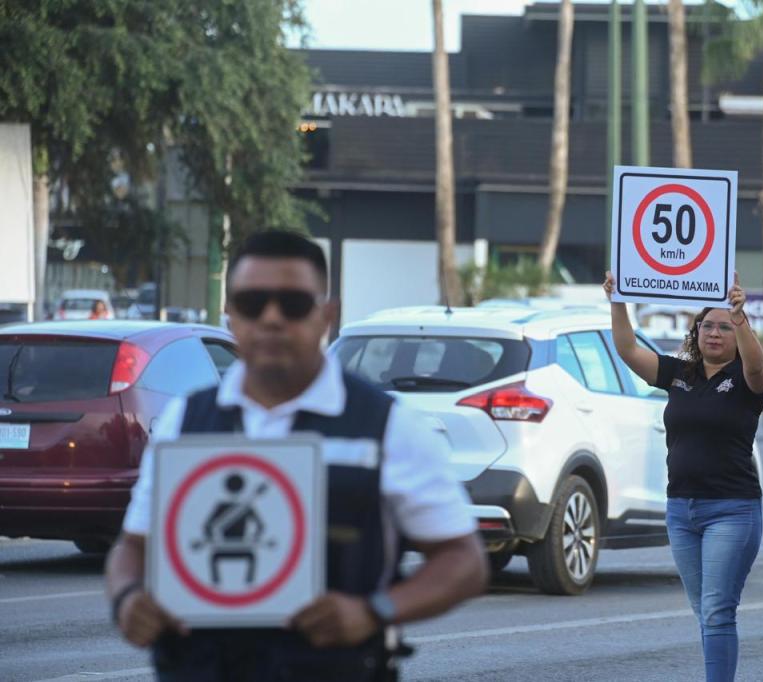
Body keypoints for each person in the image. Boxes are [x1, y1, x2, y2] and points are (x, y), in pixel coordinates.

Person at [105, 230, 488, 681]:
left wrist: (372, 611)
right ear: (229, 315)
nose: (271, 318)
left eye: (293, 304)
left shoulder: (388, 426)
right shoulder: (184, 421)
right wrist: (128, 599)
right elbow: (133, 547)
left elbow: (464, 561)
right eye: (252, 303)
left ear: (328, 314)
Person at [604, 270, 763, 682]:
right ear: (696, 333)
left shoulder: (747, 381)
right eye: (707, 326)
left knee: (716, 610)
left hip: (731, 511)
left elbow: (757, 365)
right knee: (705, 611)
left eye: (724, 327)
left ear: (736, 334)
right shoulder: (680, 373)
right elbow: (626, 349)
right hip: (681, 511)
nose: (714, 333)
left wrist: (740, 315)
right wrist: (618, 299)